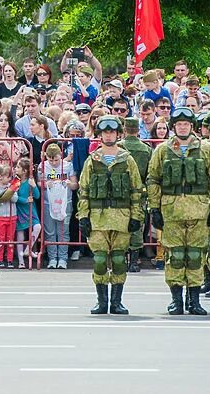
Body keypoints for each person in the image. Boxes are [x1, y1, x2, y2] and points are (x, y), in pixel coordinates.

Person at [146, 108, 210, 315]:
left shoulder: (206, 149)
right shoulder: (163, 150)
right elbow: (153, 180)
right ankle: (176, 300)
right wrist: (154, 208)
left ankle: (194, 300)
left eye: (186, 124)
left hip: (198, 210)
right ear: (174, 127)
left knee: (196, 256)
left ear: (192, 126)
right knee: (176, 256)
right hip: (171, 211)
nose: (183, 127)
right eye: (179, 124)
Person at [77, 115, 144, 315]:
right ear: (99, 134)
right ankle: (101, 301)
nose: (108, 135)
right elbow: (84, 190)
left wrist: (136, 217)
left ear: (118, 134)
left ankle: (116, 301)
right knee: (99, 261)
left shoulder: (127, 159)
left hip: (121, 217)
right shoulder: (92, 160)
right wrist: (83, 216)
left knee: (118, 260)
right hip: (98, 218)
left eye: (112, 132)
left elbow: (136, 190)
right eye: (105, 132)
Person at [120, 118, 152, 272]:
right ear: (138, 130)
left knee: (120, 225)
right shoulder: (146, 149)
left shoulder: (119, 147)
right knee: (137, 226)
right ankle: (133, 262)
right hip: (139, 192)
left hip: (120, 191)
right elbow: (150, 174)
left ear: (124, 129)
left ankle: (121, 259)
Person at [39, 143, 77, 269]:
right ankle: (52, 258)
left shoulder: (67, 166)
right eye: (51, 160)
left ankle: (62, 258)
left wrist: (69, 183)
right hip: (48, 203)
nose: (54, 163)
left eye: (56, 160)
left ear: (61, 156)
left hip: (65, 203)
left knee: (63, 231)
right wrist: (45, 184)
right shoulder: (42, 166)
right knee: (50, 231)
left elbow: (75, 184)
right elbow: (39, 183)